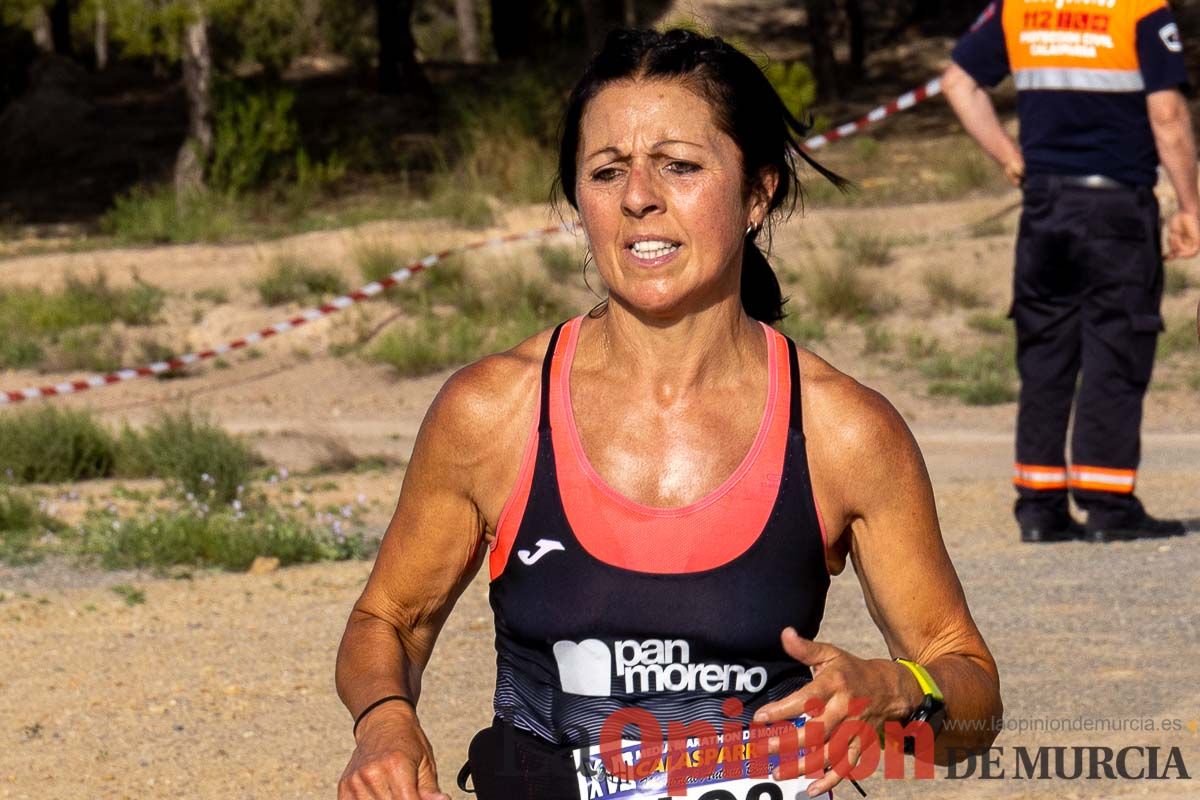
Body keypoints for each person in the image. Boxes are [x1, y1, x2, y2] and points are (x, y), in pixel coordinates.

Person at [336, 28, 1002, 800]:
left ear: (759, 192)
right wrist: (384, 721)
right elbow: (386, 620)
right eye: (607, 170)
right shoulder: (495, 411)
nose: (638, 197)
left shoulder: (842, 431)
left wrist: (894, 691)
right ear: (578, 199)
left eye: (679, 166)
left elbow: (972, 702)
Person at [943, 1, 1200, 544]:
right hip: (1116, 208)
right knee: (1116, 344)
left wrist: (1007, 155)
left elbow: (958, 82)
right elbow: (1169, 116)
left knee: (1044, 351)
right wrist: (1189, 205)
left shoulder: (1021, 8)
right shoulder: (1142, 10)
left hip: (1045, 207)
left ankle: (1040, 506)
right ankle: (1108, 504)